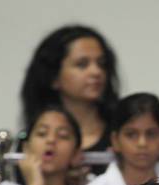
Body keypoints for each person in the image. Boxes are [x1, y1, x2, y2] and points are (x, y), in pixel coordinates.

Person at [20, 25, 119, 176]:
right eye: (82, 64)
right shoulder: (33, 141)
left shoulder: (123, 132)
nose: (96, 72)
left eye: (101, 64)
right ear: (53, 77)